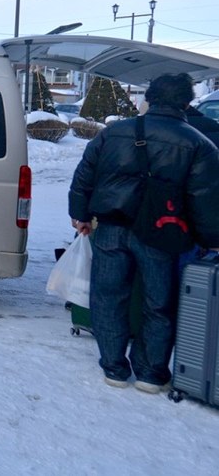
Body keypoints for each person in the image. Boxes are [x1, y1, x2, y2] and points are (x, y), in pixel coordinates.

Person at [68, 73, 219, 393]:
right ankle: (150, 374)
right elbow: (205, 199)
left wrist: (80, 215)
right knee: (159, 302)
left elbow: (84, 176)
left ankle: (113, 368)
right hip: (162, 235)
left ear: (149, 98)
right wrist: (210, 240)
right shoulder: (198, 143)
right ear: (186, 101)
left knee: (108, 297)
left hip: (110, 228)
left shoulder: (113, 133)